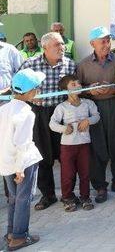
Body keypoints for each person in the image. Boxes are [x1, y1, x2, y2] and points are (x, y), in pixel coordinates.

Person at [19, 32, 76, 211]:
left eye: (62, 45)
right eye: (57, 45)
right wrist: (29, 97)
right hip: (39, 114)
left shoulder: (70, 65)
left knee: (66, 156)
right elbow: (19, 88)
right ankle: (48, 194)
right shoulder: (30, 64)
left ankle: (68, 194)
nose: (62, 48)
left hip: (63, 114)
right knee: (43, 156)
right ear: (45, 48)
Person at [77, 26, 115, 202]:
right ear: (93, 43)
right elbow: (78, 90)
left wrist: (113, 89)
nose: (106, 44)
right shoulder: (83, 65)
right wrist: (90, 91)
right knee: (97, 148)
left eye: (108, 40)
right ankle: (99, 186)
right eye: (102, 41)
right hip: (93, 109)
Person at [1, 69, 45, 251]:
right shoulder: (27, 113)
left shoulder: (3, 109)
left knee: (13, 198)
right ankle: (19, 237)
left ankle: (11, 233)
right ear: (29, 92)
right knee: (24, 198)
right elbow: (23, 143)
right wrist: (20, 169)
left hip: (6, 163)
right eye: (36, 88)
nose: (38, 91)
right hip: (23, 163)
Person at [49, 75, 100, 212]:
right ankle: (68, 198)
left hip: (84, 144)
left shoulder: (88, 103)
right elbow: (52, 123)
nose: (77, 86)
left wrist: (88, 120)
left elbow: (97, 116)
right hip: (67, 146)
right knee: (68, 174)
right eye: (73, 84)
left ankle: (85, 197)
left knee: (85, 173)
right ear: (65, 90)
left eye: (78, 83)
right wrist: (63, 128)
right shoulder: (62, 107)